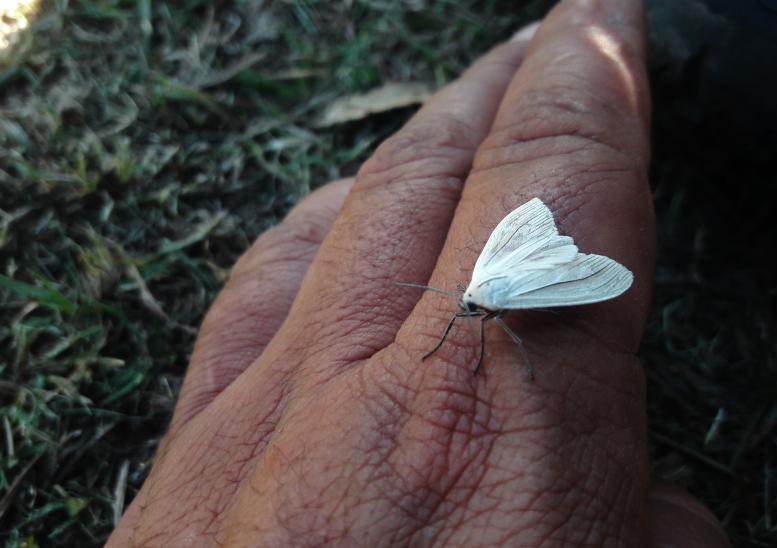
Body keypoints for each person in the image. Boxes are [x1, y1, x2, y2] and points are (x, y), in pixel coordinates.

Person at [107, 1, 730, 546]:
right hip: (509, 262)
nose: (463, 316)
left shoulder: (483, 305)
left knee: (537, 295)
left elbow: (495, 322)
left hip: (520, 274)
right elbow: (481, 310)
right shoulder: (475, 295)